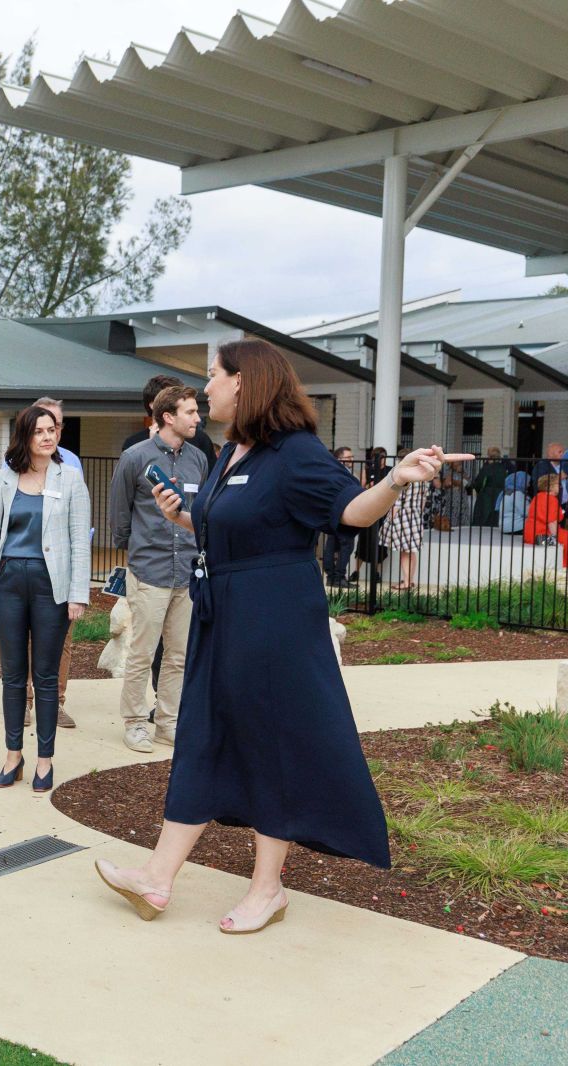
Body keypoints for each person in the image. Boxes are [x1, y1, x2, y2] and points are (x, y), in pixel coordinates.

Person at [93, 337, 470, 934]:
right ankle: (158, 878)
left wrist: (397, 478)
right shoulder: (230, 452)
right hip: (224, 614)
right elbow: (234, 523)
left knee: (271, 744)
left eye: (213, 376)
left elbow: (350, 512)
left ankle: (267, 890)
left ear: (245, 382)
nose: (206, 388)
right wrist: (181, 516)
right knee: (202, 733)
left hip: (275, 623)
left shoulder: (295, 453)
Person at [0, 405, 91, 794]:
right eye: (39, 431)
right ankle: (12, 756)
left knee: (46, 676)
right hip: (8, 582)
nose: (47, 436)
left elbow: (78, 544)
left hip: (50, 584)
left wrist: (78, 594)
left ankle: (44, 761)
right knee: (11, 675)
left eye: (52, 429)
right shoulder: (1, 480)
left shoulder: (70, 479)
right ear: (25, 436)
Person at [109, 386, 206, 753]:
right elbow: (119, 513)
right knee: (142, 653)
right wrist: (132, 551)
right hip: (149, 570)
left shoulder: (198, 459)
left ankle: (168, 724)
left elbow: (202, 511)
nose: (198, 418)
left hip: (187, 572)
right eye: (191, 412)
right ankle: (134, 723)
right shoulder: (135, 457)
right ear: (168, 416)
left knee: (179, 655)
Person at [22, 396, 84, 728]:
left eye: (57, 425)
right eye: (44, 426)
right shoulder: (13, 466)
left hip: (61, 568)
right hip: (26, 567)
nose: (51, 433)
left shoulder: (72, 465)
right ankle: (26, 701)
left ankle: (57, 702)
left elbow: (77, 517)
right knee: (27, 637)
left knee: (63, 640)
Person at [121, 374, 219, 468]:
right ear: (153, 404)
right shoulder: (133, 445)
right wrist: (151, 447)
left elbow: (212, 481)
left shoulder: (200, 440)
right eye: (171, 397)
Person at [383, 448, 431, 591]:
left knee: (405, 551)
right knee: (412, 551)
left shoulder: (404, 476)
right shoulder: (423, 478)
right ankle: (410, 580)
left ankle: (405, 582)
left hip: (402, 515)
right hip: (415, 515)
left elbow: (397, 500)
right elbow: (423, 500)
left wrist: (390, 518)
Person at [321, 446, 360, 586]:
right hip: (342, 514)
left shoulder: (335, 472)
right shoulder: (343, 474)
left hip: (335, 513)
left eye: (352, 457)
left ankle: (331, 576)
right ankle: (338, 577)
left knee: (332, 544)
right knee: (346, 545)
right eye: (348, 457)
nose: (352, 459)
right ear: (339, 459)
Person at [354, 446, 390, 581]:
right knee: (363, 541)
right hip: (369, 509)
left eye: (384, 457)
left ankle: (376, 573)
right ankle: (356, 572)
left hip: (383, 511)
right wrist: (369, 486)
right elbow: (361, 488)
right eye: (380, 457)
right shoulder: (368, 469)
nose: (383, 460)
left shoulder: (389, 470)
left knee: (380, 543)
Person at [468, 448, 509, 527]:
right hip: (500, 495)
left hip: (487, 497)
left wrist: (478, 490)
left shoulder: (487, 468)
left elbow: (479, 483)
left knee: (484, 519)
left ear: (490, 457)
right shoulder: (504, 469)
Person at [522, 474, 562, 547]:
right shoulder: (552, 500)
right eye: (557, 484)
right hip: (541, 537)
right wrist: (555, 539)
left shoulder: (537, 497)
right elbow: (552, 522)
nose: (560, 486)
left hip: (529, 536)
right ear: (550, 486)